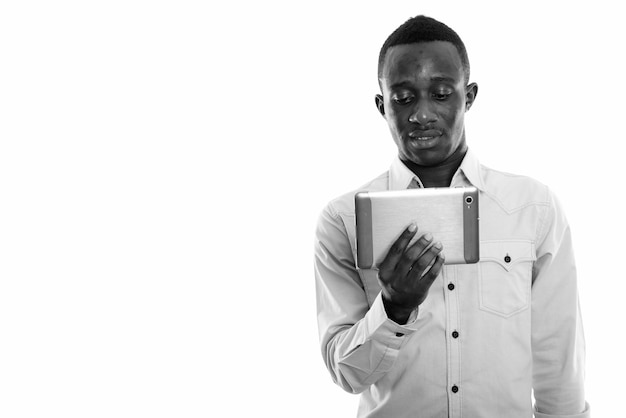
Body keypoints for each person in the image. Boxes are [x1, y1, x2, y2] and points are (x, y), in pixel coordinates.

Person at [314, 15, 590, 418]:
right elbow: (346, 373)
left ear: (470, 95)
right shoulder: (343, 220)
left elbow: (559, 354)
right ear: (381, 105)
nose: (422, 115)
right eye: (403, 98)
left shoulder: (533, 207)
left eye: (441, 94)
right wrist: (393, 308)